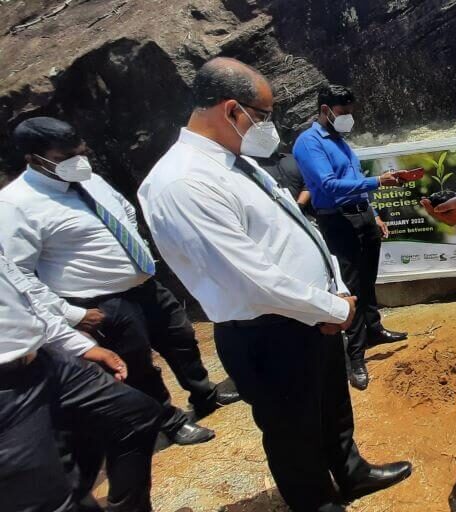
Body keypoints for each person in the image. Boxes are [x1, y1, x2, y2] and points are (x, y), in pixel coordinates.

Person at [139, 57, 412, 511]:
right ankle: (317, 502)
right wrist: (331, 309)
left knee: (330, 409)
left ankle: (350, 471)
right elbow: (249, 279)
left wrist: (332, 291)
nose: (269, 127)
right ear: (231, 110)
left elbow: (294, 229)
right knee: (293, 432)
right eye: (262, 116)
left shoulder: (235, 162)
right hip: (268, 331)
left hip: (308, 317)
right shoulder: (183, 182)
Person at [0, 117, 225, 447]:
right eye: (66, 157)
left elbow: (123, 211)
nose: (79, 162)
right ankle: (169, 421)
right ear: (35, 158)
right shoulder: (15, 205)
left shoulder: (88, 178)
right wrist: (70, 314)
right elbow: (18, 276)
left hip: (145, 285)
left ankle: (204, 395)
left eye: (81, 152)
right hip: (101, 302)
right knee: (137, 365)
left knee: (181, 338)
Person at [0, 249, 163, 512]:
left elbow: (20, 288)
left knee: (135, 416)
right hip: (6, 392)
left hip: (44, 359)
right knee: (52, 501)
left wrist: (75, 344)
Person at [293, 84, 410, 390]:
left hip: (362, 216)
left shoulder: (341, 141)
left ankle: (374, 330)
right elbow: (329, 185)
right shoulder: (309, 143)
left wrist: (373, 214)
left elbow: (354, 181)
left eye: (350, 113)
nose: (348, 118)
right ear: (324, 111)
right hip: (338, 220)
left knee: (368, 278)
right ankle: (355, 355)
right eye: (342, 113)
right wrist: (377, 181)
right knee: (352, 284)